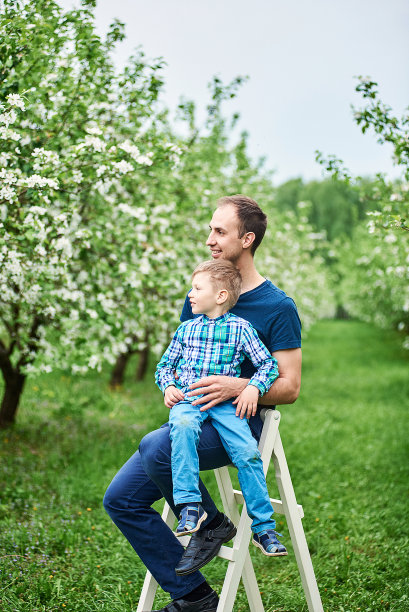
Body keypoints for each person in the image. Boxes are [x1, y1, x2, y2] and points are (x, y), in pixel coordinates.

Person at [103, 195, 302, 612]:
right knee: (120, 498)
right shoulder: (202, 293)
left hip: (240, 421)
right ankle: (193, 597)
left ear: (247, 239)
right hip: (191, 416)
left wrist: (238, 385)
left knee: (155, 447)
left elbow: (289, 386)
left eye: (220, 231)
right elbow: (179, 360)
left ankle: (210, 524)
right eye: (210, 229)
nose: (210, 239)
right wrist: (168, 387)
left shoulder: (277, 307)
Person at [155, 259, 287, 557]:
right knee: (183, 428)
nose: (190, 293)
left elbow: (268, 365)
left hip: (227, 405)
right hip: (189, 400)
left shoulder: (241, 329)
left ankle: (264, 528)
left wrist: (253, 387)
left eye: (197, 288)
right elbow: (165, 366)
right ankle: (190, 506)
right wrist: (169, 387)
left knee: (248, 453)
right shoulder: (186, 330)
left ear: (220, 296)